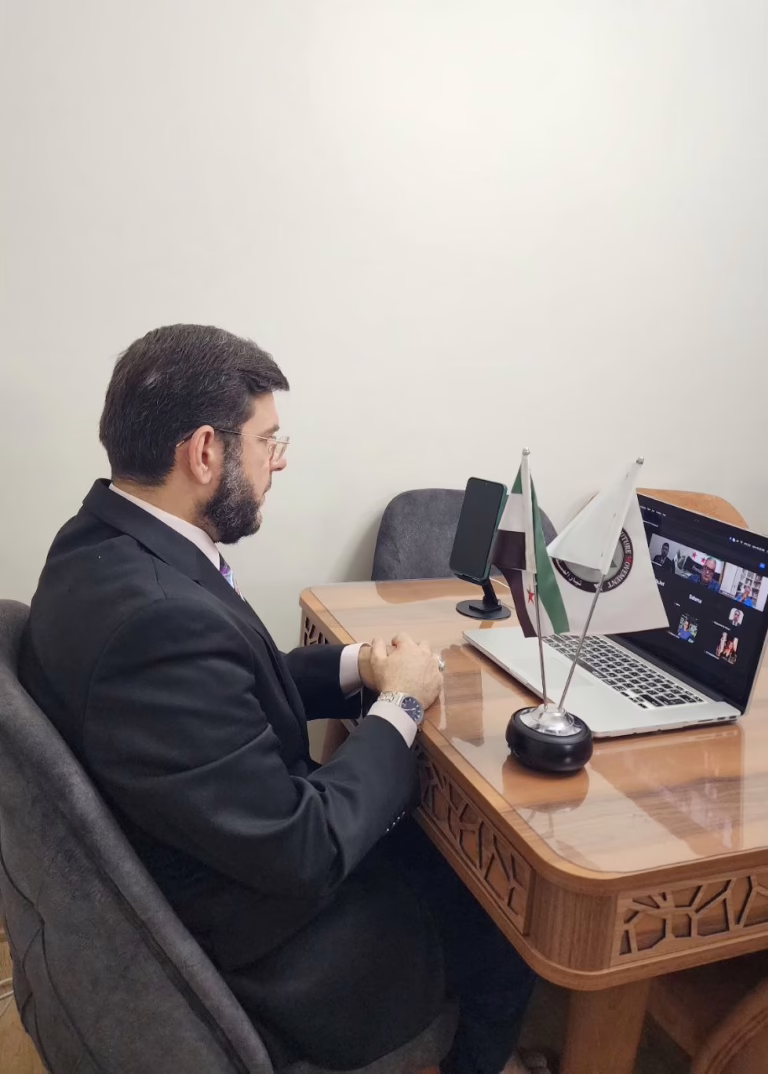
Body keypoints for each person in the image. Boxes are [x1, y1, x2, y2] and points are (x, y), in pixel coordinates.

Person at [19, 325, 535, 1074]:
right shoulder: (159, 623)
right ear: (205, 452)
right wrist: (401, 706)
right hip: (274, 946)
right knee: (508, 917)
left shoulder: (97, 544)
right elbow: (305, 850)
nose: (278, 461)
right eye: (267, 441)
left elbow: (224, 696)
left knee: (440, 836)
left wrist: (359, 666)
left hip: (213, 849)